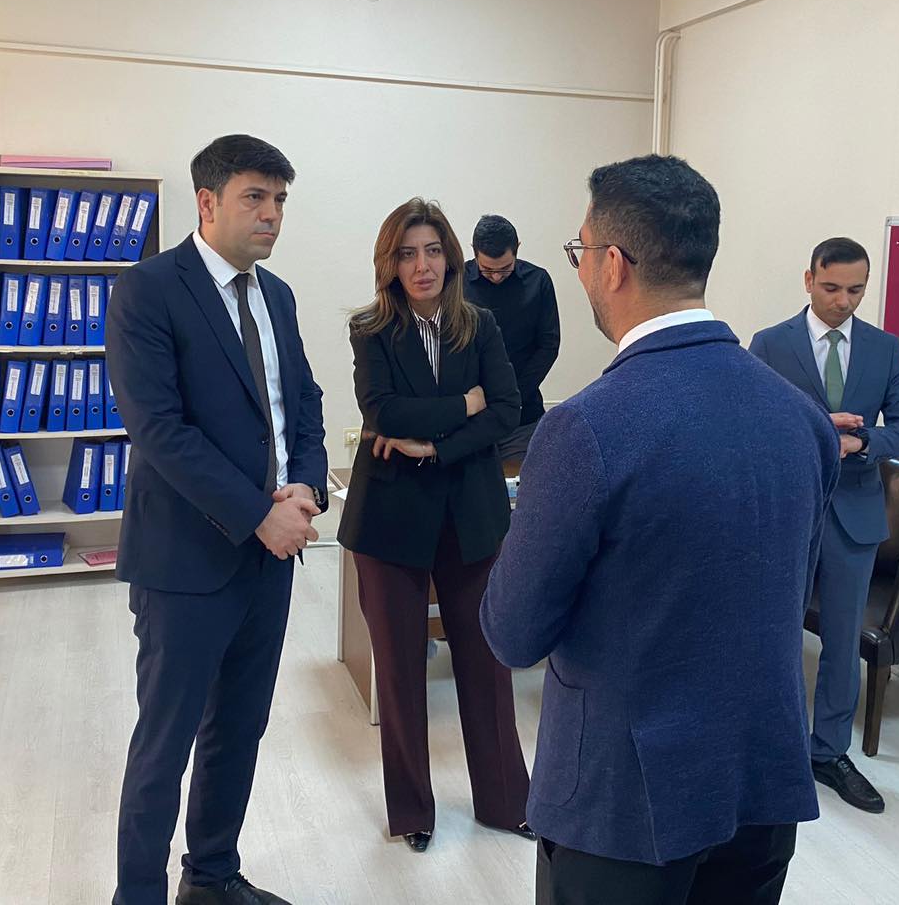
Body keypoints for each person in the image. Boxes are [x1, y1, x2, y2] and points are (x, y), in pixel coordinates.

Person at [481, 155, 839, 905]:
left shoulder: (584, 429)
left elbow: (513, 633)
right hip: (762, 782)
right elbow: (783, 590)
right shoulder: (803, 419)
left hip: (623, 804)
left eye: (580, 252)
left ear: (613, 264)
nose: (581, 270)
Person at [106, 135, 328, 905]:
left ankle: (211, 877)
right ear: (207, 203)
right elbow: (158, 429)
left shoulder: (278, 296)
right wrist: (257, 514)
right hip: (185, 560)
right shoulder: (148, 289)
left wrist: (305, 487)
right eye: (254, 198)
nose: (272, 215)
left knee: (239, 728)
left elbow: (302, 403)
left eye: (280, 200)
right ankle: (137, 895)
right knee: (164, 744)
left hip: (269, 559)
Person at [338, 198, 533, 854]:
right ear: (390, 264)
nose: (421, 265)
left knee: (487, 664)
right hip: (389, 523)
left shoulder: (479, 325)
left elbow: (506, 408)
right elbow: (383, 411)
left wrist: (436, 445)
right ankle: (413, 812)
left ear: (450, 258)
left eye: (431, 251)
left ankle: (505, 802)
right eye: (406, 253)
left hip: (470, 514)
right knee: (399, 672)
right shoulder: (371, 329)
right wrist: (462, 405)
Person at [749, 237, 899, 815]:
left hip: (854, 513)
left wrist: (862, 440)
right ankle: (771, 745)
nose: (842, 300)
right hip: (789, 509)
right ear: (808, 280)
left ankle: (828, 752)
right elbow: (753, 425)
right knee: (775, 631)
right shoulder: (770, 344)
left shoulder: (884, 348)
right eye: (831, 288)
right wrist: (817, 428)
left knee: (843, 642)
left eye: (855, 290)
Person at [463, 215, 560, 462]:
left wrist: (513, 395)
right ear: (474, 252)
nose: (496, 276)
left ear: (517, 248)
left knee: (525, 482)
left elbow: (548, 346)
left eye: (504, 268)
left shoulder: (538, 281)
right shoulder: (454, 282)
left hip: (522, 417)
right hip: (468, 419)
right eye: (487, 270)